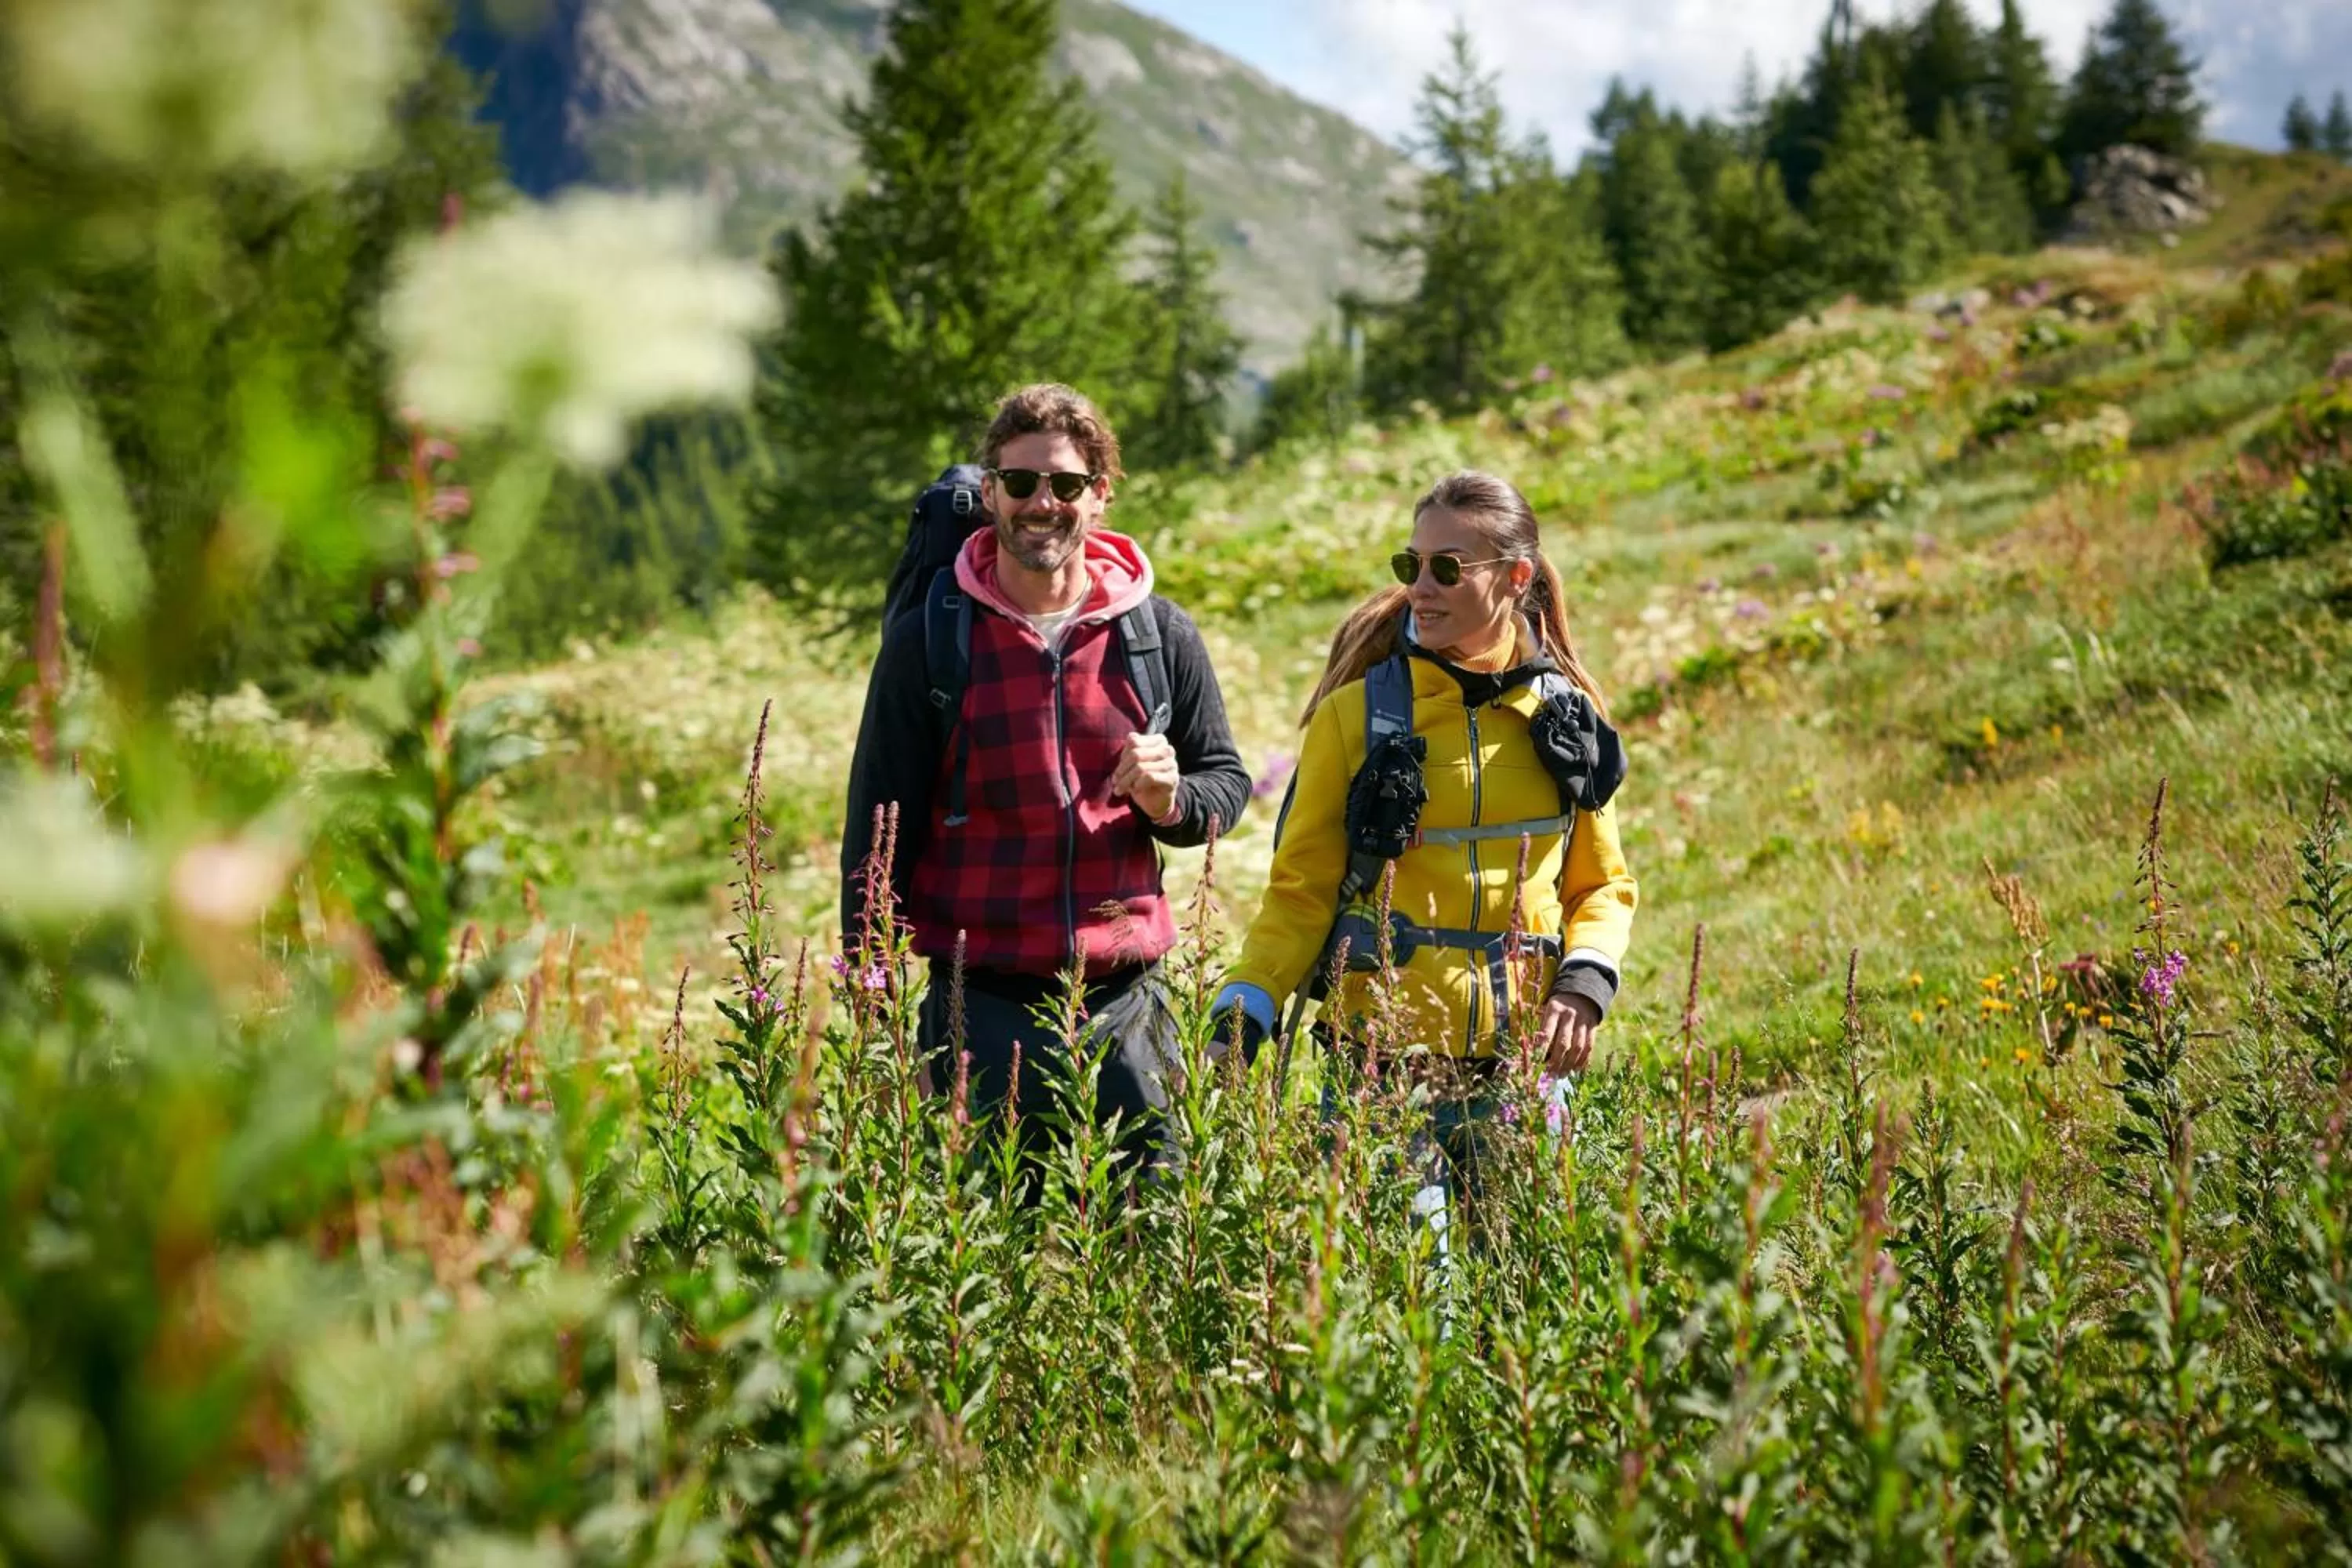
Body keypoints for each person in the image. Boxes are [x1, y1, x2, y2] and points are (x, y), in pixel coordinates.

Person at [840, 383, 1251, 1178]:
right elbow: (878, 823)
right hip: (980, 1007)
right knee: (993, 1264)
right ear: (989, 488)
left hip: (1130, 1003)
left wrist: (1173, 800)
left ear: (1099, 495)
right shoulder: (933, 638)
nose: (1042, 503)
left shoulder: (1155, 632)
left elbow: (1223, 783)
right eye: (1021, 482)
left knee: (1156, 1246)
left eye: (1064, 484)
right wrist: (878, 1009)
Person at [1212, 469, 1638, 1223]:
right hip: (1378, 1072)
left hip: (1520, 1076)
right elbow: (1300, 893)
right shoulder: (1356, 718)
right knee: (1414, 1314)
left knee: (1522, 1308)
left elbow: (1601, 886)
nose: (1422, 587)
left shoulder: (1567, 720)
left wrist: (1584, 981)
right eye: (1411, 565)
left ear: (1517, 578)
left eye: (1448, 568)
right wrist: (1246, 1005)